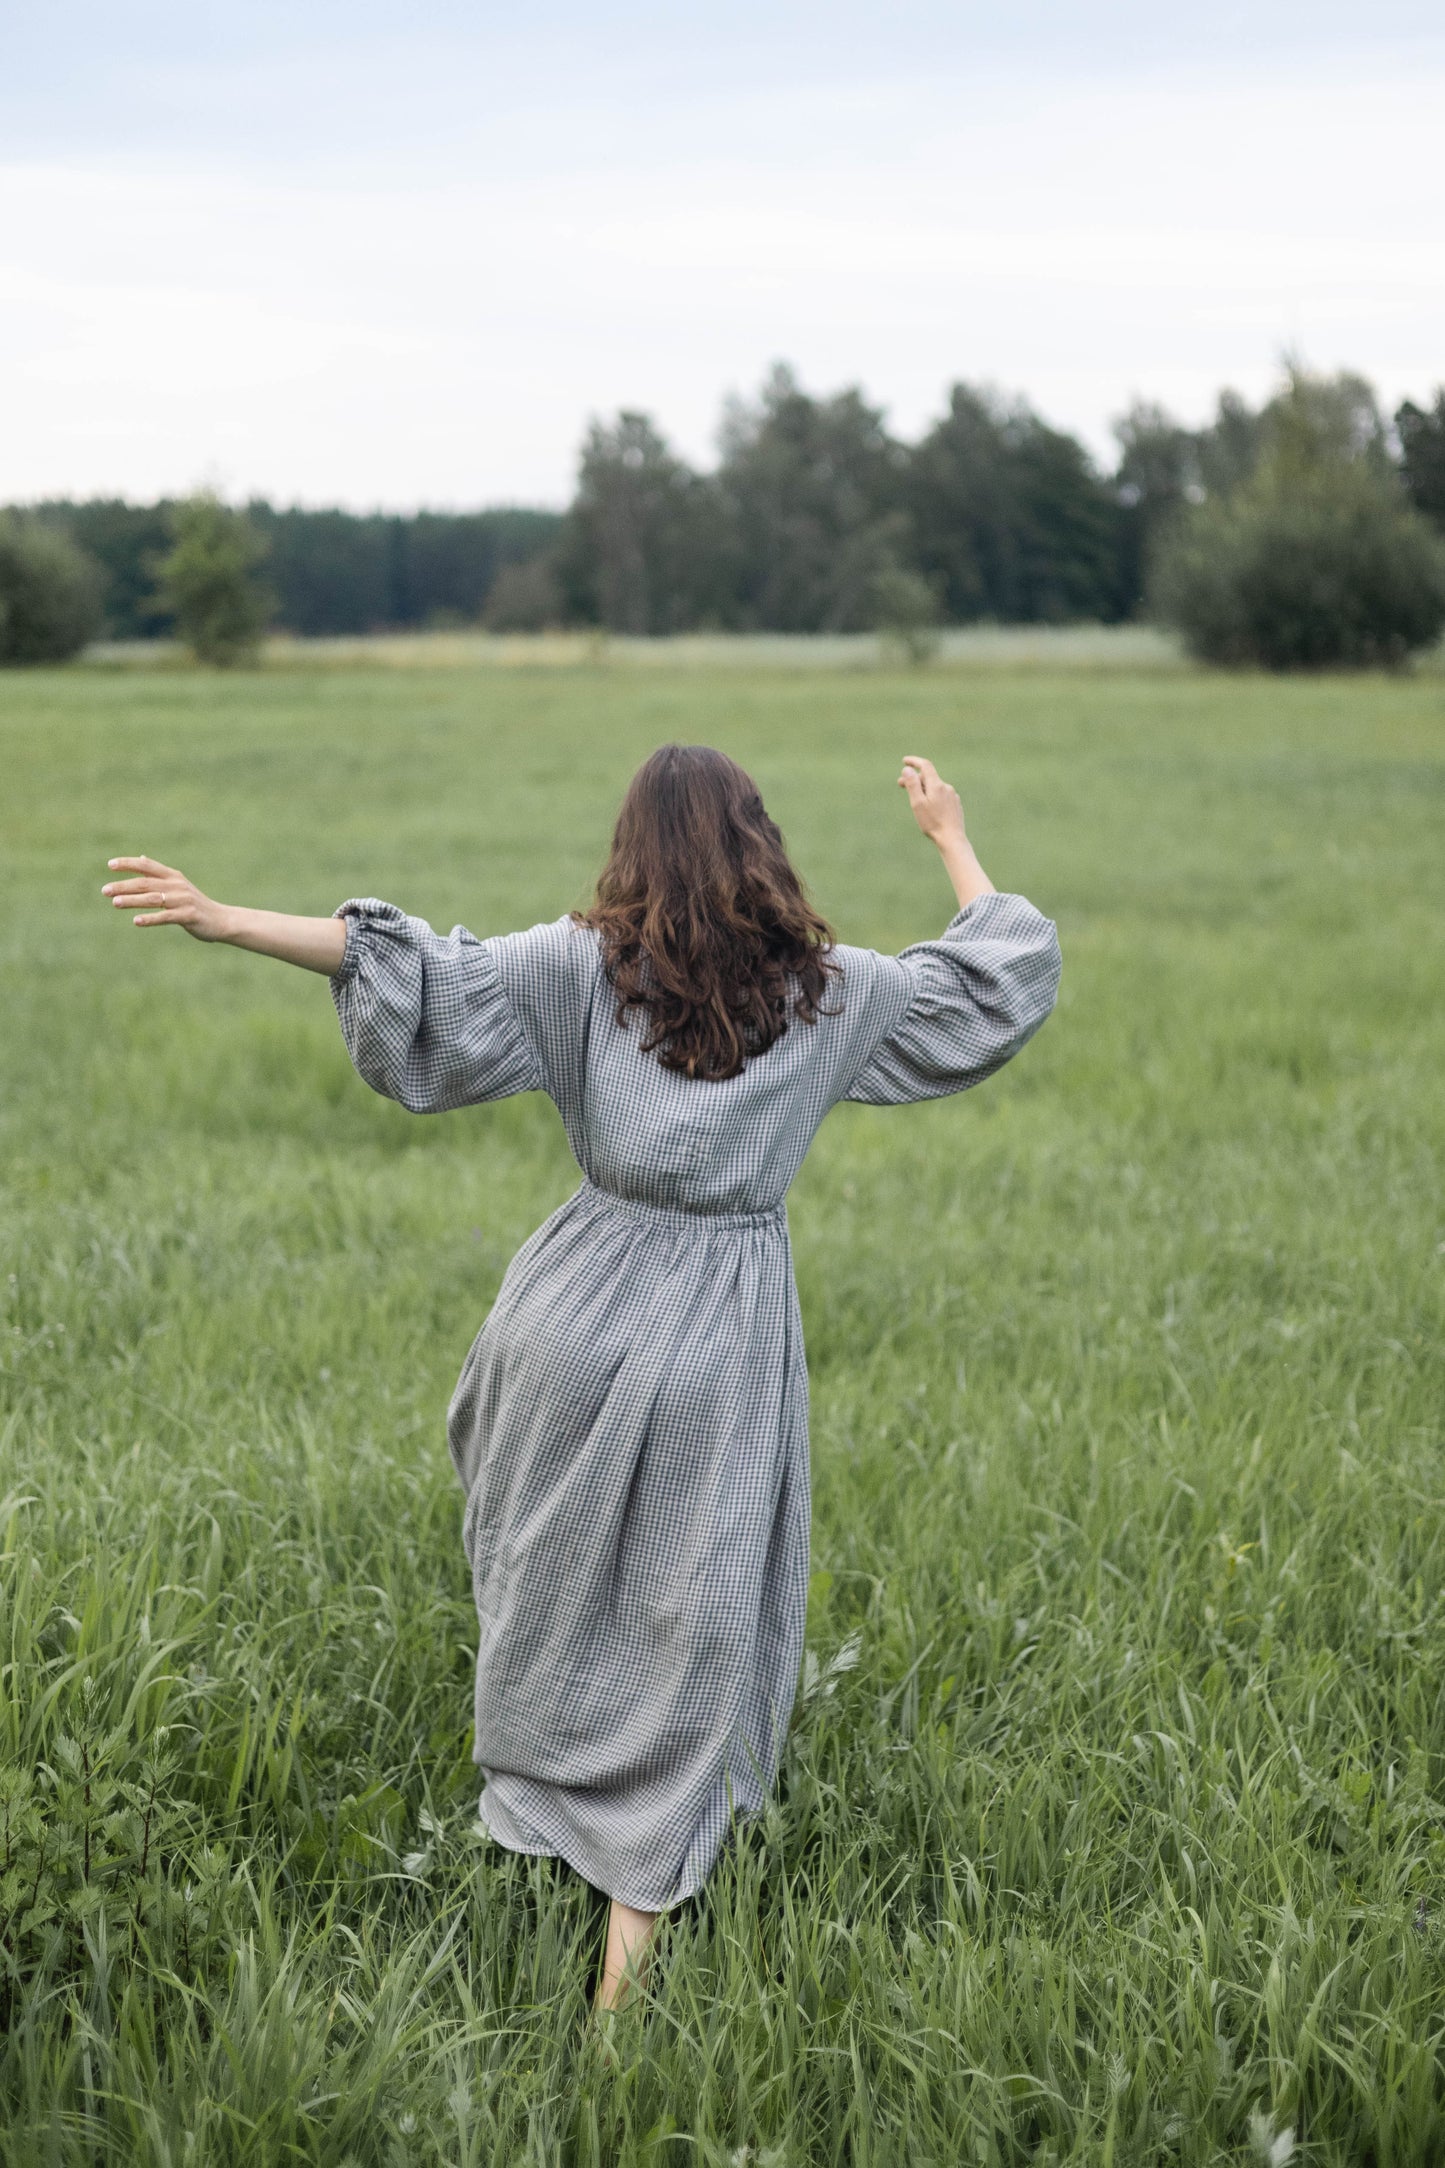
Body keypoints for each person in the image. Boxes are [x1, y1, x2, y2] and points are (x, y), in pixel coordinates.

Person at [102, 747, 1060, 2014]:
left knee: (546, 1580)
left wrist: (229, 919)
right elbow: (992, 976)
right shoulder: (832, 994)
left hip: (567, 1309)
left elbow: (414, 975)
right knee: (697, 1624)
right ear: (757, 848)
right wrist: (948, 836)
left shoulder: (581, 966)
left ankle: (556, 1814)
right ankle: (625, 1965)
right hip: (716, 1329)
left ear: (633, 853)